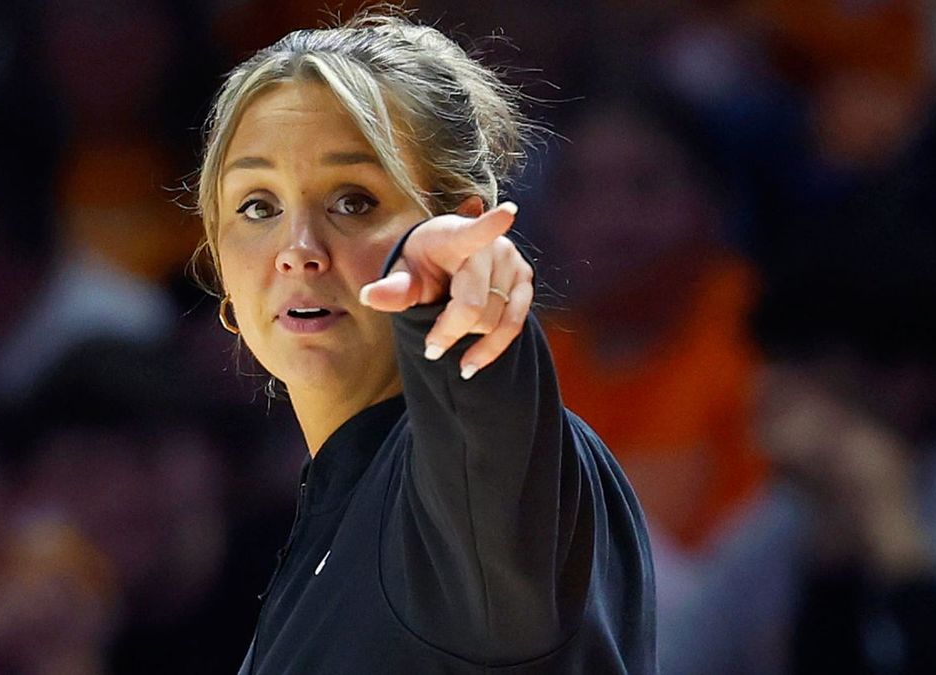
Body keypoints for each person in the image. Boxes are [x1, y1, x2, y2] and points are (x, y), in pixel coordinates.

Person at [193, 10, 656, 674]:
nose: (298, 251)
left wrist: (441, 280)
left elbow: (482, 429)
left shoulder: (485, 484)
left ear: (464, 225)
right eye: (258, 206)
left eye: (354, 201)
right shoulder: (338, 503)